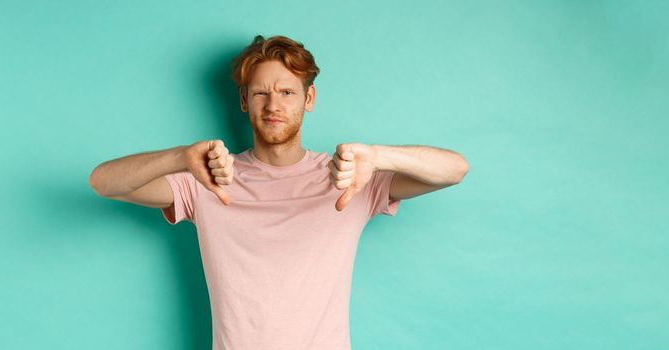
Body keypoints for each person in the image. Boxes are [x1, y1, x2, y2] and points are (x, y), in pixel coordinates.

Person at [88, 34, 469, 350]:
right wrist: (179, 157)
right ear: (243, 101)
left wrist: (378, 155)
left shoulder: (350, 177)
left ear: (309, 99)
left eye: (287, 92)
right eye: (260, 94)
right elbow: (103, 182)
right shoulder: (206, 177)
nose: (273, 106)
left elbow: (455, 169)